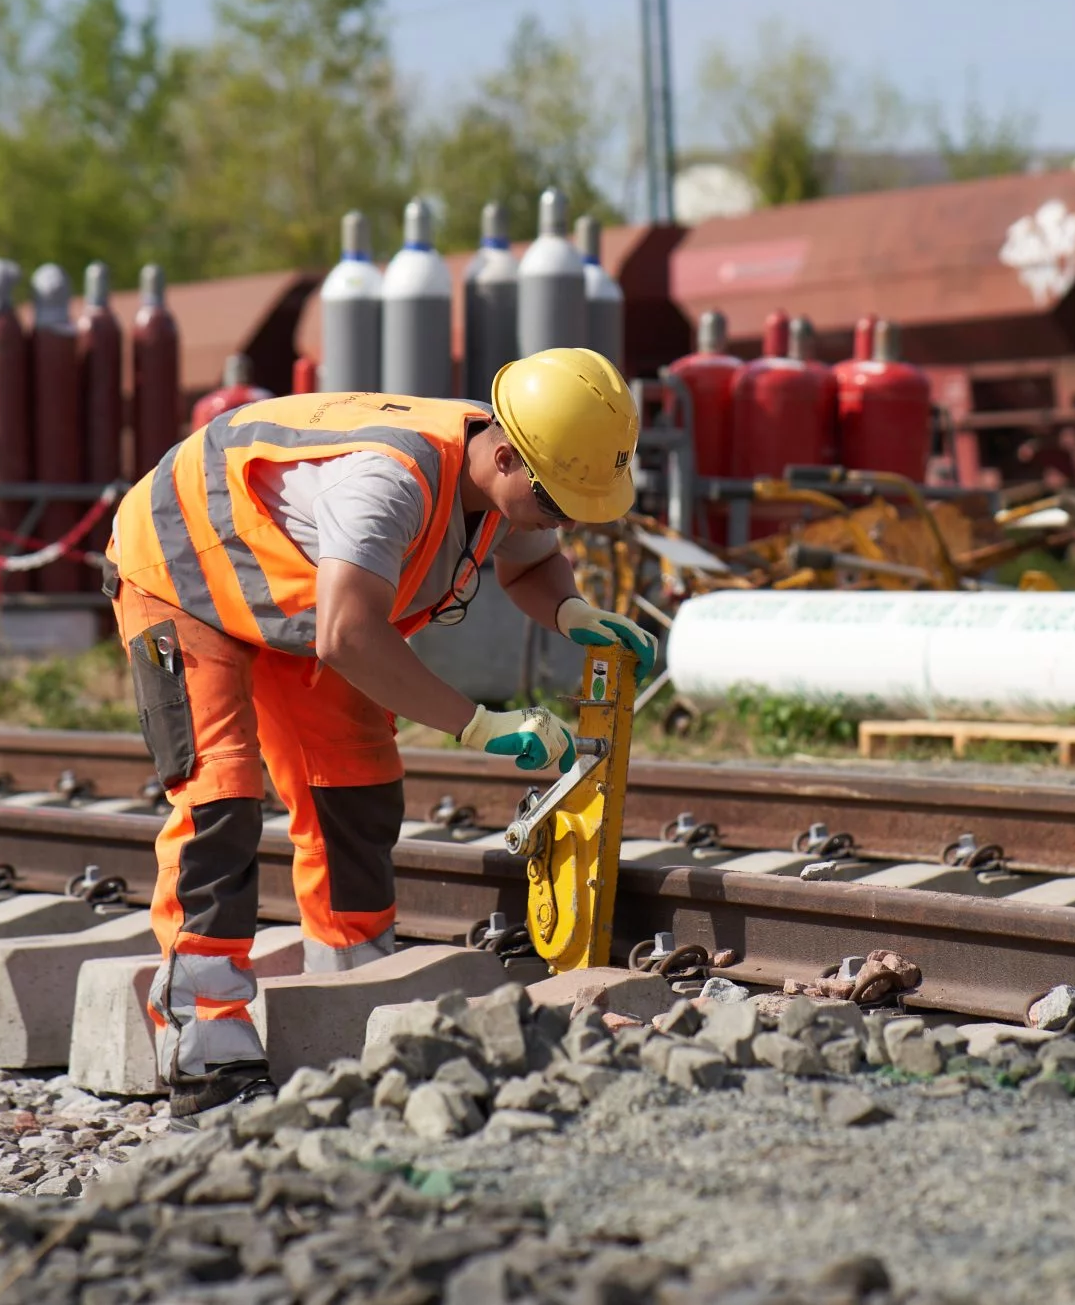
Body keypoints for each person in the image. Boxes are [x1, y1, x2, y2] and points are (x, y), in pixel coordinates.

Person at [102, 347, 659, 1114]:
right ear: (505, 455)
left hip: (288, 595)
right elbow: (348, 635)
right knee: (220, 795)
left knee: (354, 784)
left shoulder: (506, 475)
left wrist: (571, 610)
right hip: (181, 569)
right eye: (559, 503)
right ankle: (204, 1039)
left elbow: (530, 565)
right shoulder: (388, 484)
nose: (560, 521)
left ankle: (349, 988)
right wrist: (475, 723)